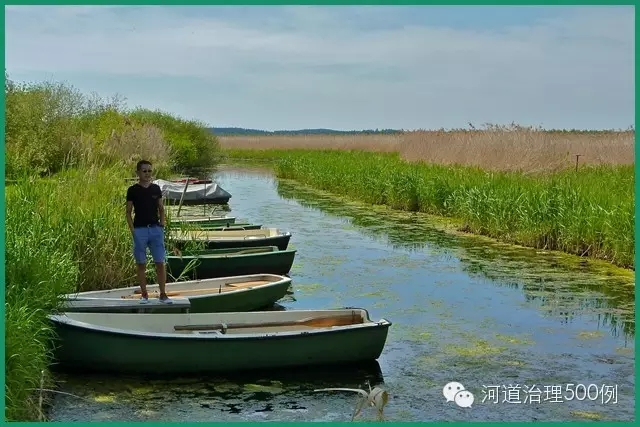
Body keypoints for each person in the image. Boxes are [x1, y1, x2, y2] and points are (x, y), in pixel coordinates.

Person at [126, 160, 172, 304]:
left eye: (149, 171)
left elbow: (161, 208)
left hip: (155, 230)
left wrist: (162, 225)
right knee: (141, 264)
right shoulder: (133, 190)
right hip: (140, 231)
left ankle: (163, 295)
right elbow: (128, 212)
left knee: (160, 263)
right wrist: (133, 231)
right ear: (138, 173)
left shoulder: (155, 189)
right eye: (144, 171)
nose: (147, 174)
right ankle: (144, 295)